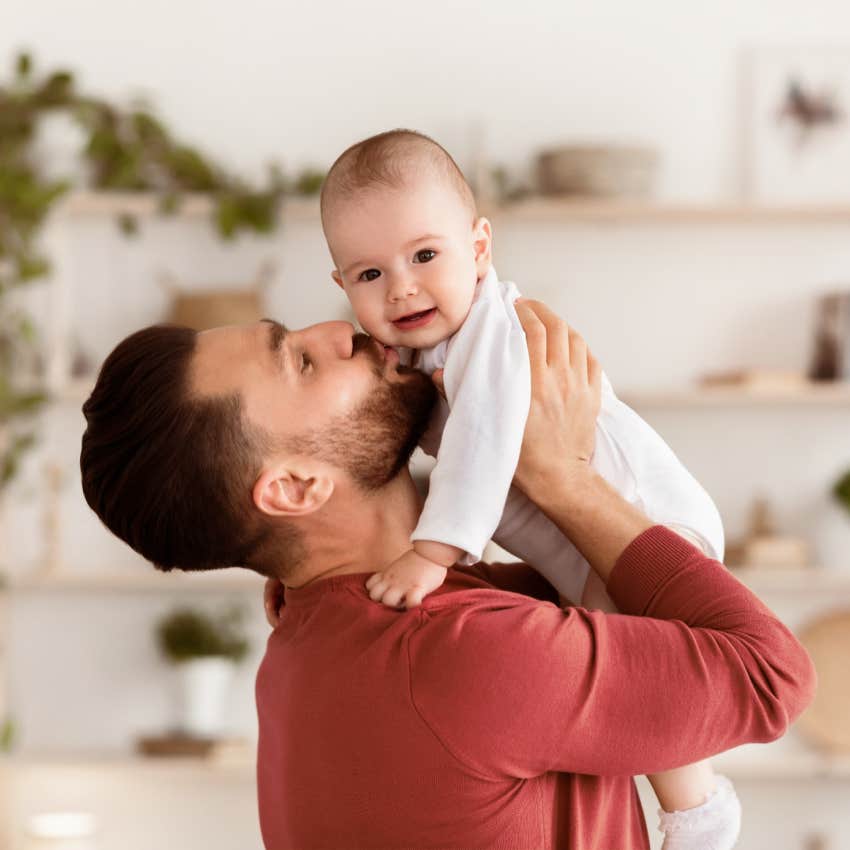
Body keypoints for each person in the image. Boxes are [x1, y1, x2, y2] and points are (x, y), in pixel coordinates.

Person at [80, 301, 815, 849]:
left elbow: (592, 606)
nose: (338, 330)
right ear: (296, 490)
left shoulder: (309, 640)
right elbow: (770, 676)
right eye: (300, 362)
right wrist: (563, 477)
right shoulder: (456, 653)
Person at [318, 128, 735, 848]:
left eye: (424, 256)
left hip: (641, 520)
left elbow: (480, 444)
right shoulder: (420, 355)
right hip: (577, 549)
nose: (402, 286)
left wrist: (433, 552)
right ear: (343, 285)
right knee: (606, 653)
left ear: (479, 248)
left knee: (624, 658)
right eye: (369, 275)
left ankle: (697, 808)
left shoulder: (494, 332)